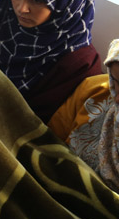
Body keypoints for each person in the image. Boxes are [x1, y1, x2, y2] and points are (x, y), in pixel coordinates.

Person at [46, 38, 119, 192]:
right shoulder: (93, 90)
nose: (117, 98)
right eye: (116, 81)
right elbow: (47, 141)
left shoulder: (80, 60)